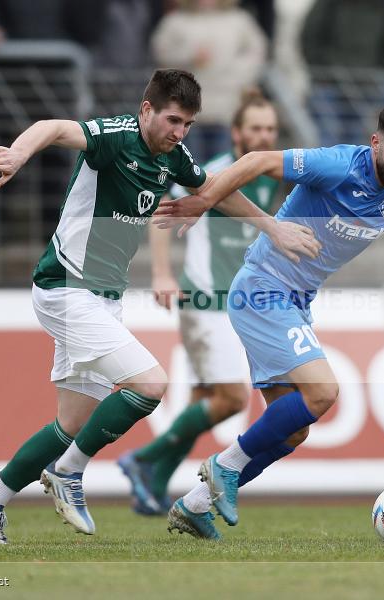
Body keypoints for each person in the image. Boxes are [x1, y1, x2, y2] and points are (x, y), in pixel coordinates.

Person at [0, 68, 319, 544]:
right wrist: (22, 151)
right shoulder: (115, 137)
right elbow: (56, 126)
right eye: (172, 120)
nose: (179, 132)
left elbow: (212, 190)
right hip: (66, 288)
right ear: (146, 109)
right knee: (150, 384)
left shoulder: (173, 156)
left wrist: (272, 226)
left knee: (71, 423)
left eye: (187, 124)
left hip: (103, 299)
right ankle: (67, 474)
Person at [153, 104, 384, 539]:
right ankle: (224, 465)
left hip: (293, 301)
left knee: (293, 432)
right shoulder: (339, 166)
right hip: (262, 289)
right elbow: (256, 160)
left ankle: (195, 507)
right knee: (324, 391)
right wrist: (203, 201)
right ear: (376, 142)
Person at [118, 90, 281, 515]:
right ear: (236, 133)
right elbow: (161, 213)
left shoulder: (268, 176)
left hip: (234, 305)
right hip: (205, 301)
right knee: (232, 399)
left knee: (203, 399)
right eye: (256, 128)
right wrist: (161, 273)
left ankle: (151, 482)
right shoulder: (212, 173)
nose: (264, 136)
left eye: (270, 128)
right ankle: (143, 458)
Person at [151, 0, 267, 162]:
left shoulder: (240, 20)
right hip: (187, 107)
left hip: (227, 107)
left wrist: (234, 76)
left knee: (223, 165)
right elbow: (161, 53)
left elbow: (256, 53)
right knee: (189, 164)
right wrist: (189, 56)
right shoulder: (175, 21)